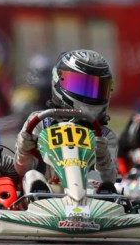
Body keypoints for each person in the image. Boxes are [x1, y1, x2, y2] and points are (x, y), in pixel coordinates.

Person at [14, 49, 117, 194]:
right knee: (32, 175)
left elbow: (110, 179)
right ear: (58, 81)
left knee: (97, 179)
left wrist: (103, 158)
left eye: (97, 89)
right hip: (48, 193)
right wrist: (24, 151)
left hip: (89, 196)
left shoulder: (104, 136)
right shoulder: (41, 122)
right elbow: (22, 170)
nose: (89, 95)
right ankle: (39, 193)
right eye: (81, 86)